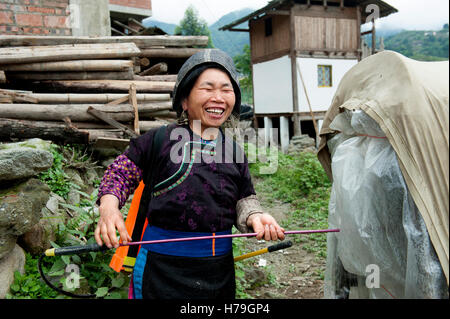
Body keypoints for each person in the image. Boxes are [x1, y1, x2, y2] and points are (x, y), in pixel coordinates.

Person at [94, 49, 285, 299]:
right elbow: (119, 174)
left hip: (218, 271)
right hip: (161, 269)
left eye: (226, 90)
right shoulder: (159, 140)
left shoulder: (234, 149)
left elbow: (244, 198)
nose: (218, 98)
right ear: (184, 100)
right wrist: (109, 208)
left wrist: (256, 216)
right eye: (207, 89)